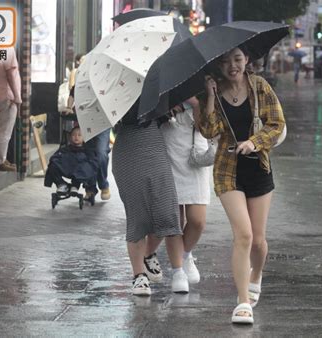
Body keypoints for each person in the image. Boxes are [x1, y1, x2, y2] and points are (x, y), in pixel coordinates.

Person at [197, 47, 285, 324]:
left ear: (247, 59)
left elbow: (277, 124)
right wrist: (210, 97)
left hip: (258, 167)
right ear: (219, 66)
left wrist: (254, 142)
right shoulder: (216, 91)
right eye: (225, 62)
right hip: (227, 171)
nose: (232, 66)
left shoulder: (260, 86)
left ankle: (255, 276)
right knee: (243, 235)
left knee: (258, 241)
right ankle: (243, 301)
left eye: (237, 59)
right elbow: (209, 131)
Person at [112, 105, 189, 296]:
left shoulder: (156, 85)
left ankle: (148, 253)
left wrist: (168, 108)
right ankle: (139, 275)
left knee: (165, 213)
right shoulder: (113, 93)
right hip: (127, 150)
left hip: (155, 147)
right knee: (138, 216)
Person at [158, 97, 211, 285]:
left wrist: (194, 103)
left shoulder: (205, 81)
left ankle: (186, 254)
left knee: (198, 220)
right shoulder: (164, 80)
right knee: (175, 220)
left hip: (195, 150)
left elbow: (206, 126)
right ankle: (177, 270)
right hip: (168, 143)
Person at [0, 47, 22, 171]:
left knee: (3, 129)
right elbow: (10, 74)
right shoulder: (8, 49)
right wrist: (17, 96)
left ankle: (1, 158)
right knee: (5, 131)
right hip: (7, 95)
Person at [44, 126, 98, 195]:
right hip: (67, 168)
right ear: (70, 137)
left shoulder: (87, 150)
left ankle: (75, 186)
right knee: (53, 164)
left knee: (87, 164)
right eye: (74, 135)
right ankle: (61, 184)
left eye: (79, 135)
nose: (76, 137)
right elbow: (55, 157)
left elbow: (93, 162)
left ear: (84, 137)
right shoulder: (65, 149)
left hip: (80, 171)